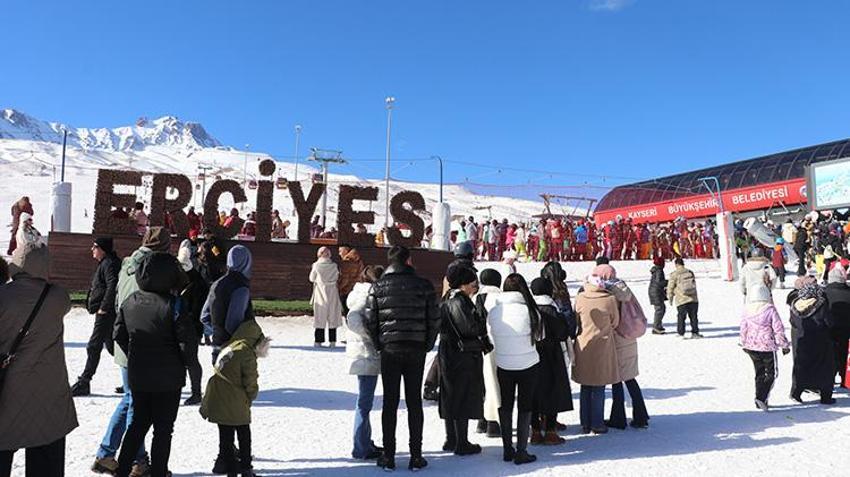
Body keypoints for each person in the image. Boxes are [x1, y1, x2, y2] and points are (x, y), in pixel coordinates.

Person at [91, 228, 172, 475]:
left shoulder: (127, 264)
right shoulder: (150, 268)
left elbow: (118, 303)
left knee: (130, 400)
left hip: (125, 341)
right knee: (135, 405)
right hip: (142, 346)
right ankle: (138, 461)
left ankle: (107, 454)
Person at [113, 252, 195, 477]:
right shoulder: (174, 304)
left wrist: (135, 355)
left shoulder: (131, 300)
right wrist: (187, 367)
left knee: (137, 425)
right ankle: (159, 471)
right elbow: (186, 342)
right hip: (169, 377)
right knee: (163, 430)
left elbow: (118, 334)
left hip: (139, 373)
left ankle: (122, 470)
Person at [0, 246, 77, 477]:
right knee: (47, 454)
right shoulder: (58, 296)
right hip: (49, 391)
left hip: (8, 390)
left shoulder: (3, 296)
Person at [365, 245, 439, 471]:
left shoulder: (378, 286)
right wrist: (427, 343)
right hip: (416, 348)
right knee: (414, 402)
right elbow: (434, 319)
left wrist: (380, 344)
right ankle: (416, 456)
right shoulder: (424, 285)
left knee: (390, 402)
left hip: (390, 349)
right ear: (408, 260)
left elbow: (371, 319)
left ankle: (388, 455)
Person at [200, 318, 269, 477]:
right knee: (244, 434)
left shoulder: (229, 346)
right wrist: (251, 395)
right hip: (237, 399)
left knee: (225, 437)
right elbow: (250, 379)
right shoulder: (246, 352)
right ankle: (246, 468)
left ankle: (231, 469)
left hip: (219, 397)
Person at [487, 273, 543, 465]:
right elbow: (540, 336)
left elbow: (491, 335)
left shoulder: (495, 311)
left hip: (503, 363)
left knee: (506, 404)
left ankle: (507, 449)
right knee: (525, 405)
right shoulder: (530, 311)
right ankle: (521, 450)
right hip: (528, 364)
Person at [439, 267, 488, 456]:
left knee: (450, 394)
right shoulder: (459, 301)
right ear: (463, 284)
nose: (474, 285)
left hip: (448, 350)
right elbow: (469, 327)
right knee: (462, 394)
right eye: (471, 282)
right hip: (461, 353)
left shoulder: (447, 298)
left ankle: (451, 438)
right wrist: (481, 319)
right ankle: (461, 442)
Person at [597, 265, 650, 430]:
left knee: (616, 379)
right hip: (630, 336)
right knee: (630, 378)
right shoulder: (624, 287)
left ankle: (618, 418)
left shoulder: (609, 292)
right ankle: (641, 415)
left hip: (617, 337)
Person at [573, 265, 622, 435]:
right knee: (599, 386)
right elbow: (615, 322)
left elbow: (576, 320)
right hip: (603, 345)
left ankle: (585, 422)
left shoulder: (580, 298)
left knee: (585, 386)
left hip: (583, 344)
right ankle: (597, 423)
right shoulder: (609, 299)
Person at [70, 238, 121, 397]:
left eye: (95, 246)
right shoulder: (106, 263)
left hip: (106, 313)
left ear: (103, 249)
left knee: (94, 345)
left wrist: (104, 308)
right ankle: (134, 380)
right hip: (105, 312)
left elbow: (113, 284)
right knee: (115, 347)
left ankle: (85, 381)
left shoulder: (109, 263)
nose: (92, 249)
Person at [345, 265, 385, 460]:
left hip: (361, 353)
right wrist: (371, 337)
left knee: (365, 401)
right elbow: (353, 319)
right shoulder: (366, 295)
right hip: (365, 353)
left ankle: (364, 441)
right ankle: (360, 447)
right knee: (365, 402)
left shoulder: (359, 293)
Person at [739, 257, 789, 411]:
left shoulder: (746, 310)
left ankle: (759, 398)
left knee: (759, 373)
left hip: (751, 346)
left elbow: (743, 328)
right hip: (767, 346)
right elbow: (778, 328)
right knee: (771, 373)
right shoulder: (769, 309)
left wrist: (743, 342)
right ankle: (761, 397)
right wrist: (784, 345)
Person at [529, 278, 573, 445]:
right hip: (552, 355)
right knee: (552, 391)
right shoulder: (553, 310)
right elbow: (563, 333)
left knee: (533, 392)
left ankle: (534, 430)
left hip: (532, 355)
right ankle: (550, 431)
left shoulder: (529, 309)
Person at [202, 245, 254, 365]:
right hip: (234, 349)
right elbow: (233, 324)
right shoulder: (241, 288)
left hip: (217, 347)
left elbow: (204, 317)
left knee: (219, 381)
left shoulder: (216, 284)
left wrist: (216, 331)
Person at [788, 277, 836, 405]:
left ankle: (796, 392)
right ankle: (826, 396)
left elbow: (792, 322)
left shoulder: (795, 305)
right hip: (820, 342)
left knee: (801, 366)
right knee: (825, 368)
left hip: (802, 341)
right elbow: (829, 322)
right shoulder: (821, 304)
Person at [473, 269, 503, 438]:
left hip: (478, 346)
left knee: (482, 383)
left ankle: (482, 420)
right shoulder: (501, 298)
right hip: (497, 345)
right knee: (495, 383)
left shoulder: (476, 297)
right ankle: (494, 422)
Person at [177, 240, 207, 406]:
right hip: (181, 324)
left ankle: (196, 392)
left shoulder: (196, 282)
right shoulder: (180, 278)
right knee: (183, 359)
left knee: (191, 359)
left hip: (191, 326)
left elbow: (198, 308)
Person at [309, 246, 344, 347]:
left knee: (320, 316)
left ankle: (318, 341)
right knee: (333, 315)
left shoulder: (316, 265)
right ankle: (332, 341)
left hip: (320, 291)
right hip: (332, 291)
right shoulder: (334, 266)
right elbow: (337, 277)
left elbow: (311, 278)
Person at [824, 265, 850, 386]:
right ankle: (844, 378)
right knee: (844, 353)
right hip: (846, 328)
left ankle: (829, 377)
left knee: (830, 353)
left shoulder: (824, 293)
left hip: (829, 329)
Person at [667, 258, 702, 338]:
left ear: (676, 264)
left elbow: (670, 287)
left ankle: (681, 333)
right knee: (693, 317)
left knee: (681, 317)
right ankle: (695, 332)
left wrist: (670, 298)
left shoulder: (674, 274)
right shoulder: (690, 272)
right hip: (693, 298)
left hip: (681, 299)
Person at [338, 245, 365, 315]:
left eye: (340, 251)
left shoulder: (346, 262)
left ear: (345, 251)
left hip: (346, 290)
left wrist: (339, 288)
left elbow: (345, 278)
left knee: (347, 312)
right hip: (356, 288)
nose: (339, 253)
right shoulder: (359, 261)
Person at [648, 257, 668, 334]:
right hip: (656, 292)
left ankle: (658, 325)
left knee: (661, 308)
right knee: (660, 309)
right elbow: (660, 282)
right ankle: (656, 327)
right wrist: (669, 282)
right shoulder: (659, 270)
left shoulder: (656, 270)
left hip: (654, 291)